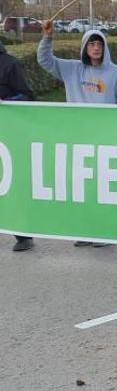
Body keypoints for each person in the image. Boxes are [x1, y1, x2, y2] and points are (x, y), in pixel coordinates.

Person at [38, 20, 117, 248]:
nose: (96, 48)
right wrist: (47, 38)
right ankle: (87, 230)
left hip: (105, 139)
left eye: (99, 43)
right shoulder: (72, 69)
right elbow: (44, 60)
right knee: (82, 185)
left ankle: (104, 231)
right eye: (91, 44)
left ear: (105, 47)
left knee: (103, 186)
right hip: (78, 138)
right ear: (84, 48)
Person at [0, 39, 36, 252]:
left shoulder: (10, 64)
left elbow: (27, 96)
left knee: (10, 183)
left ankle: (23, 235)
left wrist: (6, 101)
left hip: (7, 136)